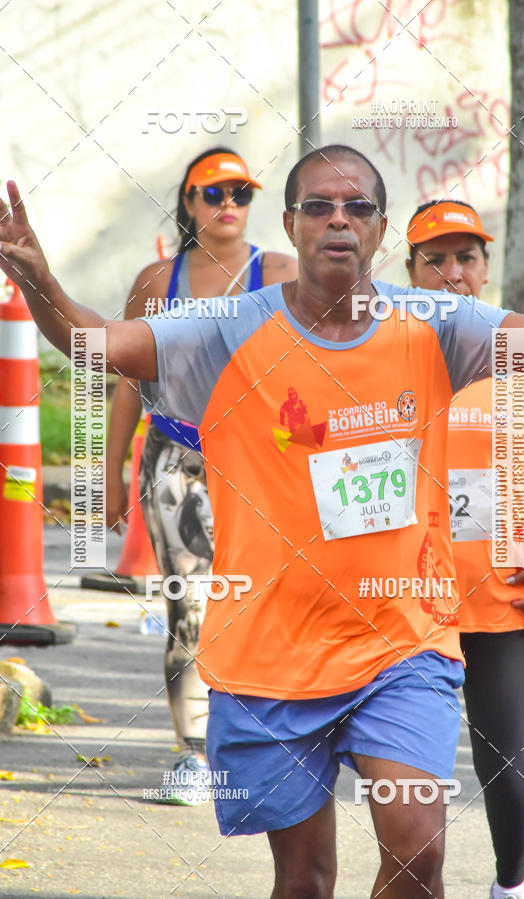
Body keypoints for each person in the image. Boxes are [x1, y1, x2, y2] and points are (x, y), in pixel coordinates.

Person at [3, 144, 524, 897]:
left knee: (419, 850)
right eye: (319, 206)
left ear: (380, 227)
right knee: (304, 879)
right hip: (270, 656)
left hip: (402, 644)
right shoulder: (227, 329)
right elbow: (100, 346)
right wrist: (38, 277)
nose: (338, 220)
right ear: (291, 224)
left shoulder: (437, 322)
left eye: (357, 207)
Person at [405, 199, 524, 899]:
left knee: (500, 755)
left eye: (466, 257)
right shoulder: (380, 349)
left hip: (501, 593)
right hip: (403, 596)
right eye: (434, 259)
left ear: (486, 267)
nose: (452, 273)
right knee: (402, 766)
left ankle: (510, 885)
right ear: (409, 272)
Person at [105, 147, 298, 800]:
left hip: (259, 462)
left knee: (260, 602)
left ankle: (257, 743)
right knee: (188, 604)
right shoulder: (158, 281)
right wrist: (110, 476)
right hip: (176, 457)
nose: (229, 205)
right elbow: (128, 379)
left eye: (241, 193)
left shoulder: (280, 274)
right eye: (214, 194)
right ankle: (193, 756)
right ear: (189, 203)